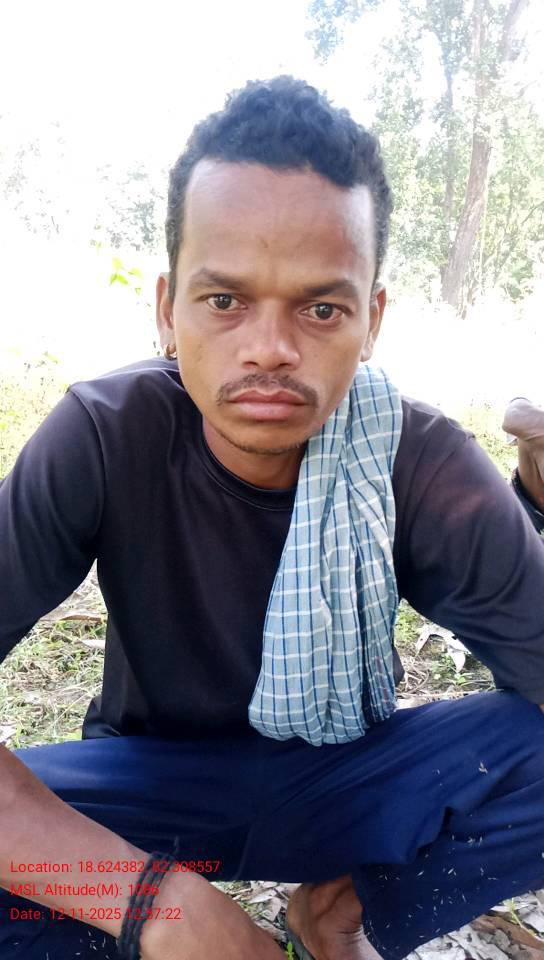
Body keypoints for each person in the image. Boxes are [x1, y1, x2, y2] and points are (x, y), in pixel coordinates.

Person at [1, 76, 544, 960]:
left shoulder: (421, 461)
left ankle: (341, 914)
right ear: (167, 309)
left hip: (350, 784)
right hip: (153, 792)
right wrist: (150, 905)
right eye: (225, 301)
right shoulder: (103, 435)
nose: (269, 349)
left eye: (321, 308)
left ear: (371, 320)